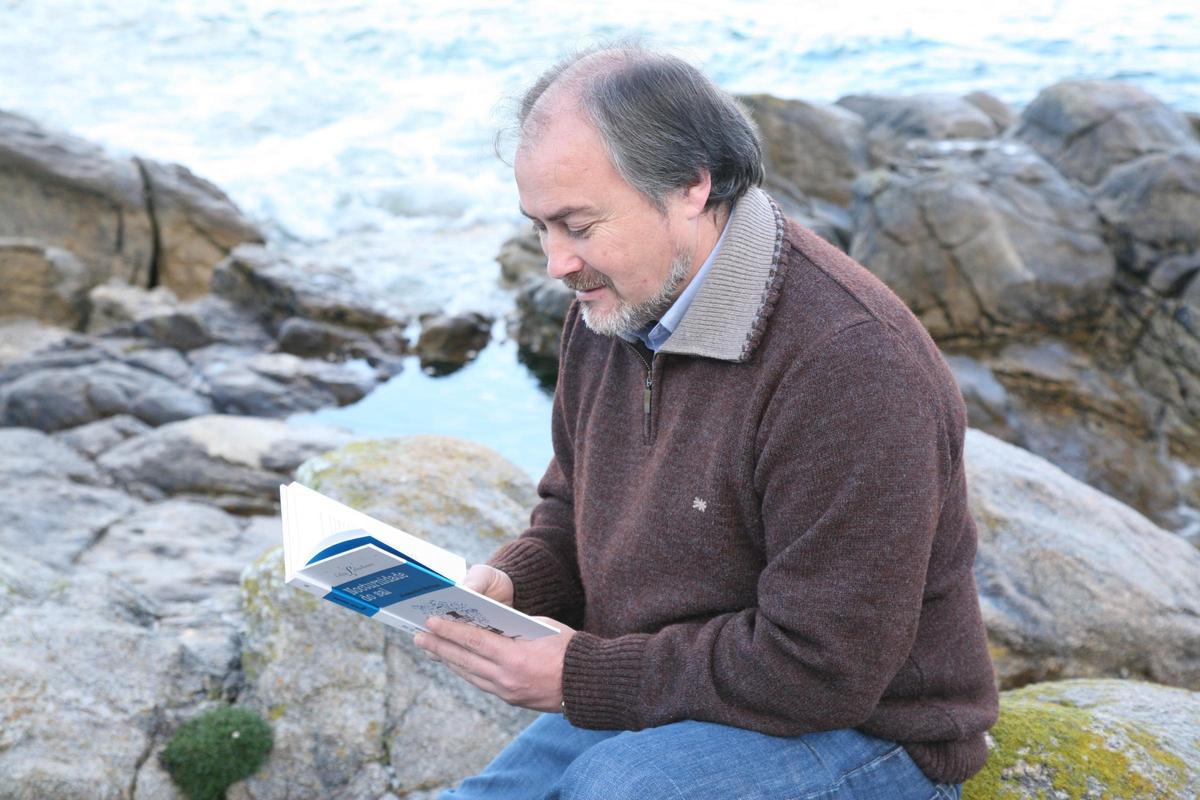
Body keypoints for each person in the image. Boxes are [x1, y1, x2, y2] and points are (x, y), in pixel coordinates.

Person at [414, 44, 999, 800]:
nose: (557, 263)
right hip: (681, 685)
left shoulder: (850, 365)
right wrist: (509, 586)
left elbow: (825, 667)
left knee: (611, 792)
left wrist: (580, 675)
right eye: (539, 229)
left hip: (870, 733)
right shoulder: (613, 306)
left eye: (579, 225)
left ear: (691, 185)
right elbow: (570, 514)